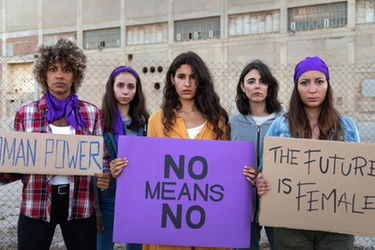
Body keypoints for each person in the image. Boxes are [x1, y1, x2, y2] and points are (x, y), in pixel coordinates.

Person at [111, 51, 230, 250]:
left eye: (193, 77)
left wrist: (243, 174)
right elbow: (150, 168)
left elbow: (223, 169)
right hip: (168, 222)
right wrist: (123, 169)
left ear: (201, 81)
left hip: (207, 220)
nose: (187, 83)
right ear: (172, 79)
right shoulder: (157, 120)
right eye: (181, 77)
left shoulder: (218, 119)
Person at [0, 38, 111, 250]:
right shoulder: (26, 113)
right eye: (53, 69)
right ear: (44, 74)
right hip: (36, 203)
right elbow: (18, 163)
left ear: (75, 75)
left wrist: (105, 175)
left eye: (67, 69)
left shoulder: (91, 113)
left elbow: (102, 159)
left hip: (79, 204)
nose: (59, 75)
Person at [256, 56, 360, 250]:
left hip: (336, 226)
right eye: (304, 83)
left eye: (319, 81)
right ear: (297, 87)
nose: (312, 89)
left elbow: (356, 178)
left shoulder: (347, 126)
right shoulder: (280, 125)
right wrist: (261, 182)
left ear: (327, 85)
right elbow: (265, 171)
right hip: (291, 224)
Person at [230, 60, 282, 250]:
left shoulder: (285, 122)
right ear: (243, 88)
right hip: (242, 206)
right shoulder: (232, 124)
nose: (257, 86)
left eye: (262, 81)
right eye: (251, 81)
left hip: (277, 204)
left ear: (270, 86)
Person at [95, 66, 149, 250]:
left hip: (138, 196)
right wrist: (105, 170)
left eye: (131, 87)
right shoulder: (98, 120)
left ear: (137, 90)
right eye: (120, 85)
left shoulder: (146, 122)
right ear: (111, 88)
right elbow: (90, 161)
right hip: (108, 196)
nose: (125, 91)